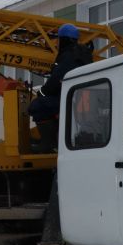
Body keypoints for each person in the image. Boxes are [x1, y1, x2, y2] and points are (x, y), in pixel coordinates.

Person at [28, 23, 93, 152]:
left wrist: (41, 93)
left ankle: (49, 143)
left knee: (36, 106)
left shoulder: (68, 55)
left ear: (63, 40)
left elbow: (56, 79)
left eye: (58, 39)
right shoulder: (83, 54)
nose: (57, 43)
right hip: (79, 97)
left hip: (71, 99)